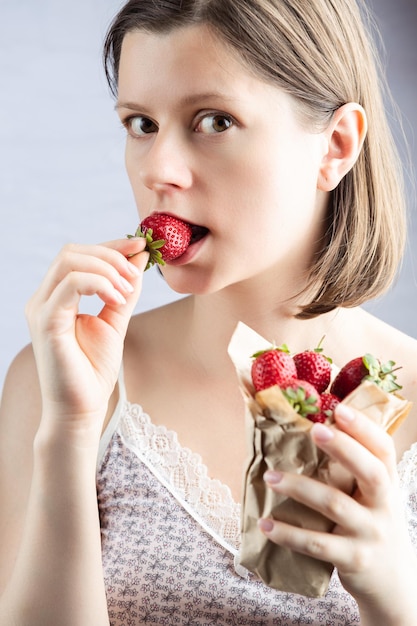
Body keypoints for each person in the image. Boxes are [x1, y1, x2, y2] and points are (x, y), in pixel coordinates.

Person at [1, 0, 417, 623]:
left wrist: (394, 596)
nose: (159, 171)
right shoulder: (57, 381)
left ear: (335, 145)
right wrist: (69, 431)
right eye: (141, 124)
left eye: (214, 120)